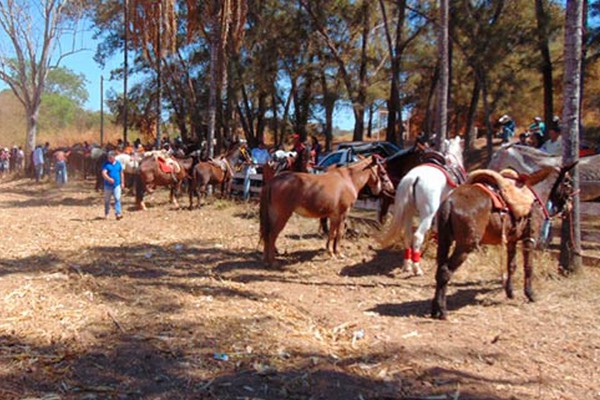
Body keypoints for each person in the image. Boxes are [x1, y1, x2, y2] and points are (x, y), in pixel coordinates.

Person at [101, 150, 124, 220]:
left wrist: (122, 182)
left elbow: (121, 173)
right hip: (108, 185)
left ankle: (118, 213)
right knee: (107, 200)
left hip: (116, 185)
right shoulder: (106, 164)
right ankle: (107, 213)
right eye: (108, 157)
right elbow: (104, 173)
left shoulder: (118, 164)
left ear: (114, 157)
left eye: (110, 157)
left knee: (117, 198)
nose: (109, 159)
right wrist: (109, 179)